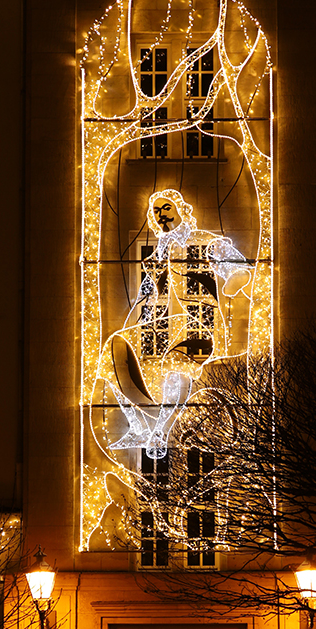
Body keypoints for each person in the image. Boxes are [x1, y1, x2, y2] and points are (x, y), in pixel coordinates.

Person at [96, 189, 251, 458]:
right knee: (114, 348)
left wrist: (234, 278)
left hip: (201, 325)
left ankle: (161, 433)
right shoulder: (161, 250)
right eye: (156, 212)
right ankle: (138, 426)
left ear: (181, 210)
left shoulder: (203, 240)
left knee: (175, 366)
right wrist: (151, 278)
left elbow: (237, 268)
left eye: (166, 209)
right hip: (168, 326)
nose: (161, 216)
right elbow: (149, 290)